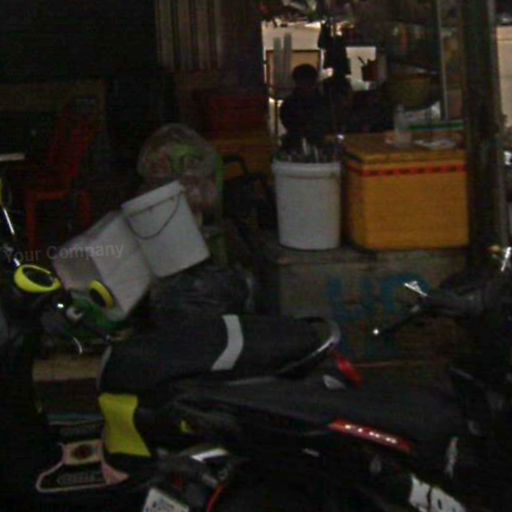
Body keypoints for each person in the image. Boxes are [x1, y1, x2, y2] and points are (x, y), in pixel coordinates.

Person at [279, 64, 332, 150]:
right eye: (303, 82)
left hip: (317, 143)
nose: (305, 85)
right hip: (297, 144)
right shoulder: (290, 103)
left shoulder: (323, 101)